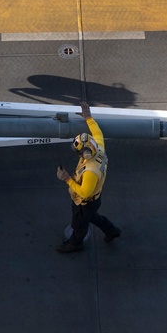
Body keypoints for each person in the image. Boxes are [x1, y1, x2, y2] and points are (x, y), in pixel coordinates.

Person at [54, 101, 121, 254]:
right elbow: (98, 133)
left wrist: (67, 179)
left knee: (78, 225)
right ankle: (112, 231)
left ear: (85, 153)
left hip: (84, 203)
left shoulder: (90, 171)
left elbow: (84, 192)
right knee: (94, 217)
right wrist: (88, 118)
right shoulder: (99, 148)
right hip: (94, 200)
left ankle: (75, 244)